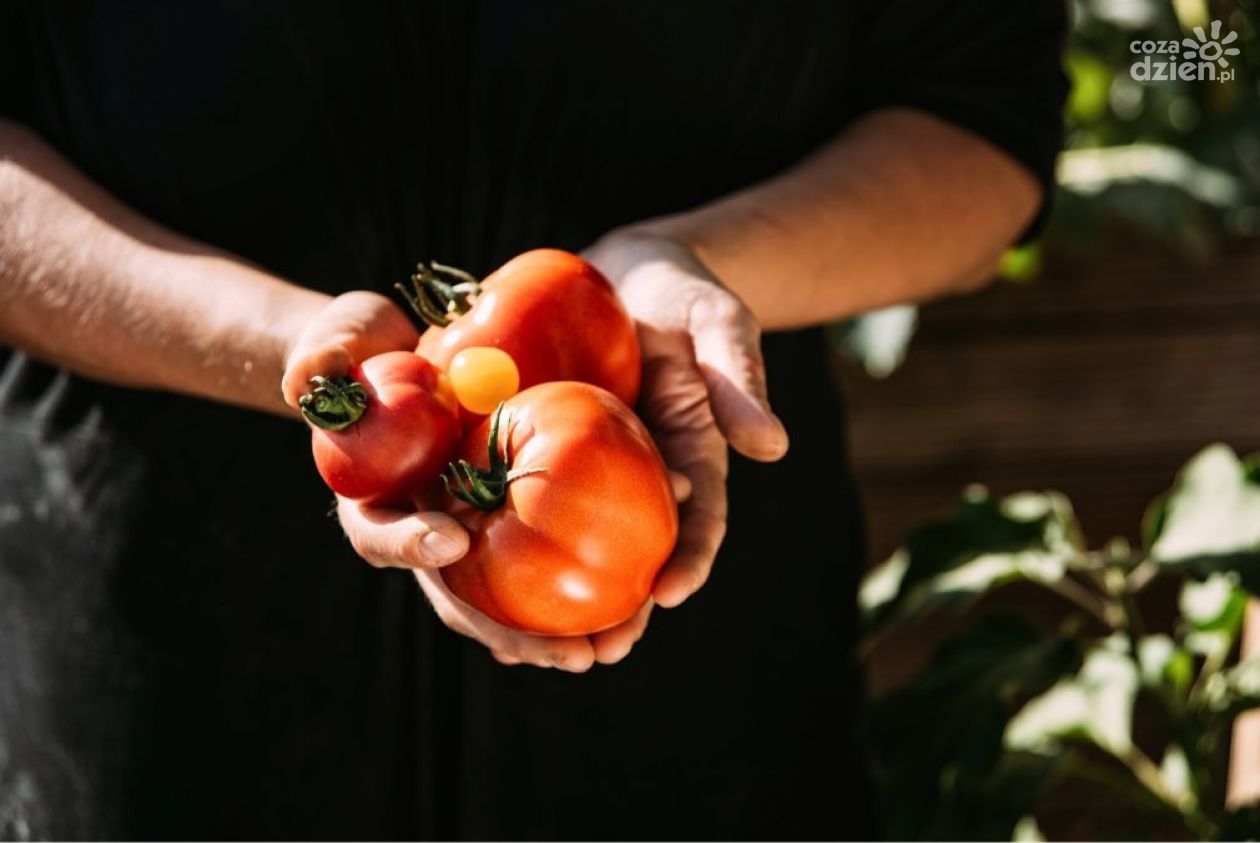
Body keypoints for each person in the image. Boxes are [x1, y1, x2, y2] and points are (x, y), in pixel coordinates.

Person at [0, 2, 1066, 838]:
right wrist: (287, 350)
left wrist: (701, 262)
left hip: (704, 689)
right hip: (164, 661)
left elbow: (984, 115)